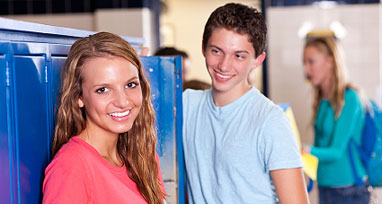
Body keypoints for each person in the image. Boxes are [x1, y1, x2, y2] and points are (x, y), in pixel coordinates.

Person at [182, 3, 309, 204]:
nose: (224, 65)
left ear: (258, 60)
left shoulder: (271, 121)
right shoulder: (186, 105)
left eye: (239, 56)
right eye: (216, 51)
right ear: (203, 48)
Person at [42, 32, 166, 204]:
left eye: (130, 85)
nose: (123, 101)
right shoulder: (72, 166)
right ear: (79, 97)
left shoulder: (144, 156)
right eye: (103, 90)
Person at [301, 36, 370, 204]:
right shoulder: (322, 99)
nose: (306, 69)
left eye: (311, 62)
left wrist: (305, 151)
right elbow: (321, 146)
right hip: (326, 186)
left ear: (330, 62)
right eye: (304, 62)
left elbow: (336, 151)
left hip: (348, 189)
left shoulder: (350, 98)